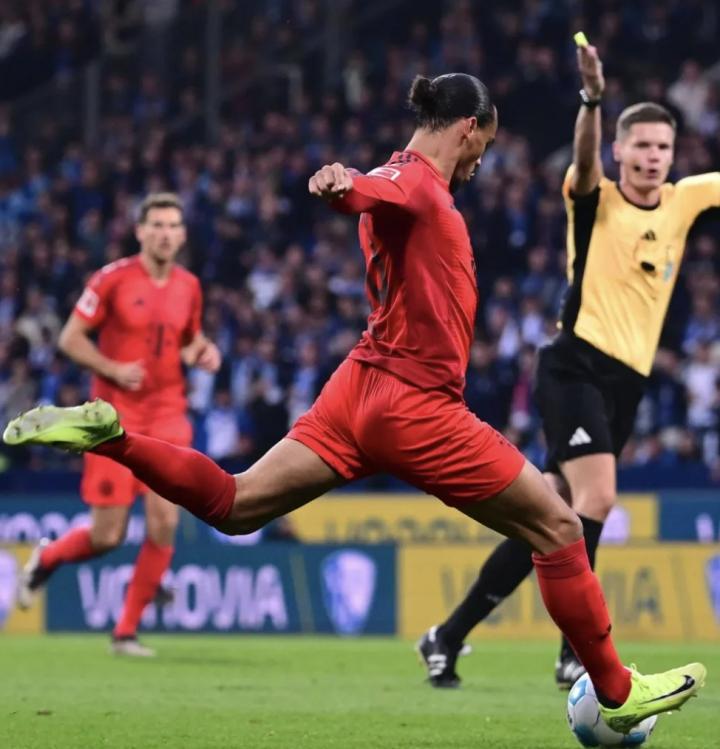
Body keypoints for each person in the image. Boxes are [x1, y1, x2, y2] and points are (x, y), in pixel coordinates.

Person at [5, 73, 705, 732]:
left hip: (356, 389)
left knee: (236, 503)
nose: (480, 163)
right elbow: (375, 192)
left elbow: (376, 192)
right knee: (557, 525)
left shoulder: (406, 178)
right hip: (416, 404)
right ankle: (617, 692)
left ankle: (113, 438)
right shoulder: (416, 181)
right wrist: (342, 186)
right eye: (484, 147)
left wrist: (353, 186)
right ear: (467, 128)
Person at [418, 43, 720, 689]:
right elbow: (583, 161)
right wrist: (592, 100)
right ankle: (576, 650)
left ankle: (447, 634)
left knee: (549, 518)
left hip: (628, 383)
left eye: (662, 148)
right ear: (620, 150)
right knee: (597, 497)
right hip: (574, 364)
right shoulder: (594, 197)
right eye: (641, 146)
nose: (652, 157)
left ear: (674, 155)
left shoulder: (684, 200)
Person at [16, 193, 221, 657]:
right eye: (157, 225)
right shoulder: (111, 279)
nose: (166, 234)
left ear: (183, 235)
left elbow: (188, 340)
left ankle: (124, 633)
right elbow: (70, 338)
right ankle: (48, 557)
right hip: (114, 420)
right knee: (107, 535)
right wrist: (111, 368)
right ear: (140, 232)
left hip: (169, 416)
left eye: (173, 226)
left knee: (164, 522)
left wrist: (203, 353)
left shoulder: (189, 286)